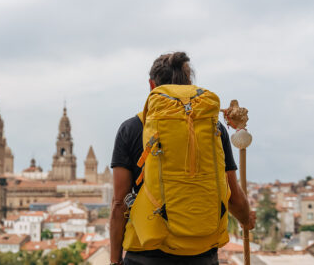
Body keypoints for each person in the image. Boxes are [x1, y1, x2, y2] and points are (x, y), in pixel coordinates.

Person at [109, 52, 256, 265]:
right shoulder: (214, 127)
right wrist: (246, 218)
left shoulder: (131, 129)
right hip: (202, 255)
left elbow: (119, 204)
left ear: (152, 85)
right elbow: (233, 196)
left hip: (147, 256)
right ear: (189, 83)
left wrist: (115, 261)